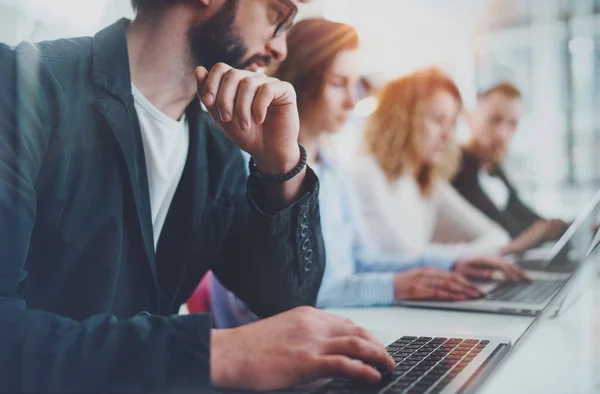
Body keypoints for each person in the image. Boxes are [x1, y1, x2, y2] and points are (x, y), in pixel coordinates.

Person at [0, 0, 396, 392]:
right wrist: (215, 352)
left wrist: (283, 167)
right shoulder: (20, 83)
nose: (280, 49)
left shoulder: (218, 149)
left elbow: (288, 302)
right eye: (277, 14)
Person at [202, 19, 528, 329]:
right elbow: (278, 298)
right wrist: (392, 287)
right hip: (281, 350)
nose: (352, 100)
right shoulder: (253, 169)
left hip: (342, 322)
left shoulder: (335, 171)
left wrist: (449, 265)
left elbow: (362, 259)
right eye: (337, 84)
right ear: (300, 80)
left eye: (355, 85)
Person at [352, 68, 538, 264]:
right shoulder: (366, 174)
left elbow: (498, 238)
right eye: (438, 120)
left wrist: (441, 255)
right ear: (403, 119)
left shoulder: (429, 184)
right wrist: (464, 256)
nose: (447, 136)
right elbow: (400, 257)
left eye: (450, 124)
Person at [453, 82, 568, 246]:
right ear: (471, 119)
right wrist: (540, 231)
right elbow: (500, 227)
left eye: (512, 124)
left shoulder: (494, 169)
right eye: (494, 120)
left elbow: (523, 213)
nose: (502, 134)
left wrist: (565, 228)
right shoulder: (458, 168)